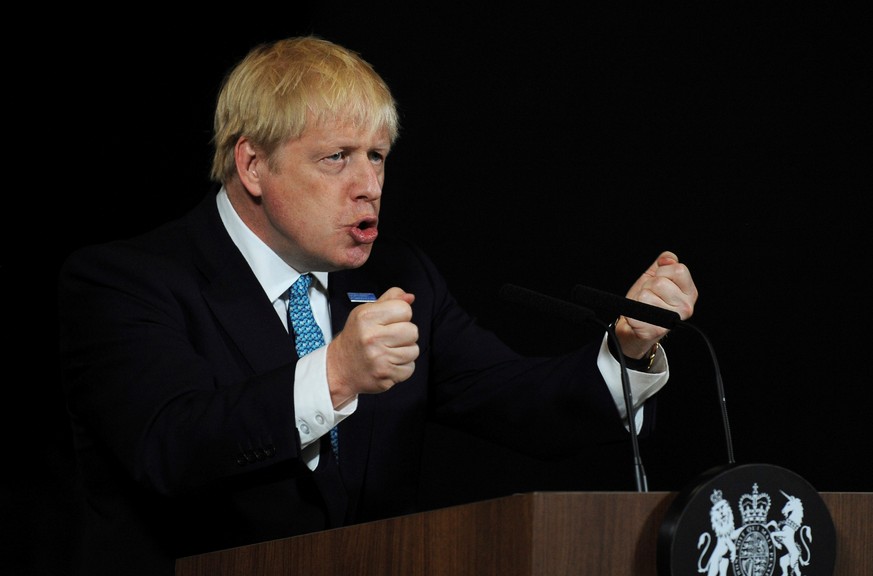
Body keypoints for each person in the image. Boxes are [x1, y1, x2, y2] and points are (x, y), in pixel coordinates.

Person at [58, 35, 698, 575]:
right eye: (336, 158)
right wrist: (334, 376)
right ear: (252, 165)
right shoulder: (126, 280)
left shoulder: (400, 273)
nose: (368, 187)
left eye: (377, 157)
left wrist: (628, 347)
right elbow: (168, 446)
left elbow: (520, 403)